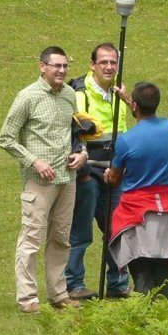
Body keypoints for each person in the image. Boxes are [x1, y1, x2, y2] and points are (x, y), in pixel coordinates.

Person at [0, 46, 87, 313]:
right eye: (56, 66)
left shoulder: (70, 95)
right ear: (42, 67)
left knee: (61, 238)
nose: (61, 71)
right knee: (31, 239)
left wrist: (82, 154)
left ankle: (59, 294)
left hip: (66, 178)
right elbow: (5, 138)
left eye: (65, 66)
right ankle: (27, 299)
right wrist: (34, 162)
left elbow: (76, 133)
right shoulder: (27, 97)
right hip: (38, 182)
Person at [104, 82, 168, 299]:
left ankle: (143, 323)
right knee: (162, 272)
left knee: (142, 273)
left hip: (137, 213)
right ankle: (165, 319)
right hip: (164, 210)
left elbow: (114, 178)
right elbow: (144, 112)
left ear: (135, 105)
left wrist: (108, 175)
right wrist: (128, 99)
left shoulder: (126, 141)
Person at [64, 43, 131, 300]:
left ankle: (117, 282)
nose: (109, 67)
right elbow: (76, 125)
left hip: (114, 172)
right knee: (81, 232)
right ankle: (74, 284)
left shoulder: (118, 93)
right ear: (92, 64)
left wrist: (127, 99)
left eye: (113, 62)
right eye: (103, 62)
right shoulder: (81, 92)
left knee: (117, 229)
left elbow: (127, 125)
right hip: (88, 171)